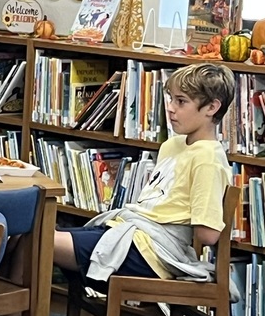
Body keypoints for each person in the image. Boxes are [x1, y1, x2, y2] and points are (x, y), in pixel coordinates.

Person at [53, 62, 235, 283]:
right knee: (31, 234)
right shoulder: (173, 145)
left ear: (212, 108)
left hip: (153, 253)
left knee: (41, 240)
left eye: (181, 101)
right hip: (131, 234)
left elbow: (208, 234)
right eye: (171, 99)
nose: (170, 107)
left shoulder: (208, 158)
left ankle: (13, 315)